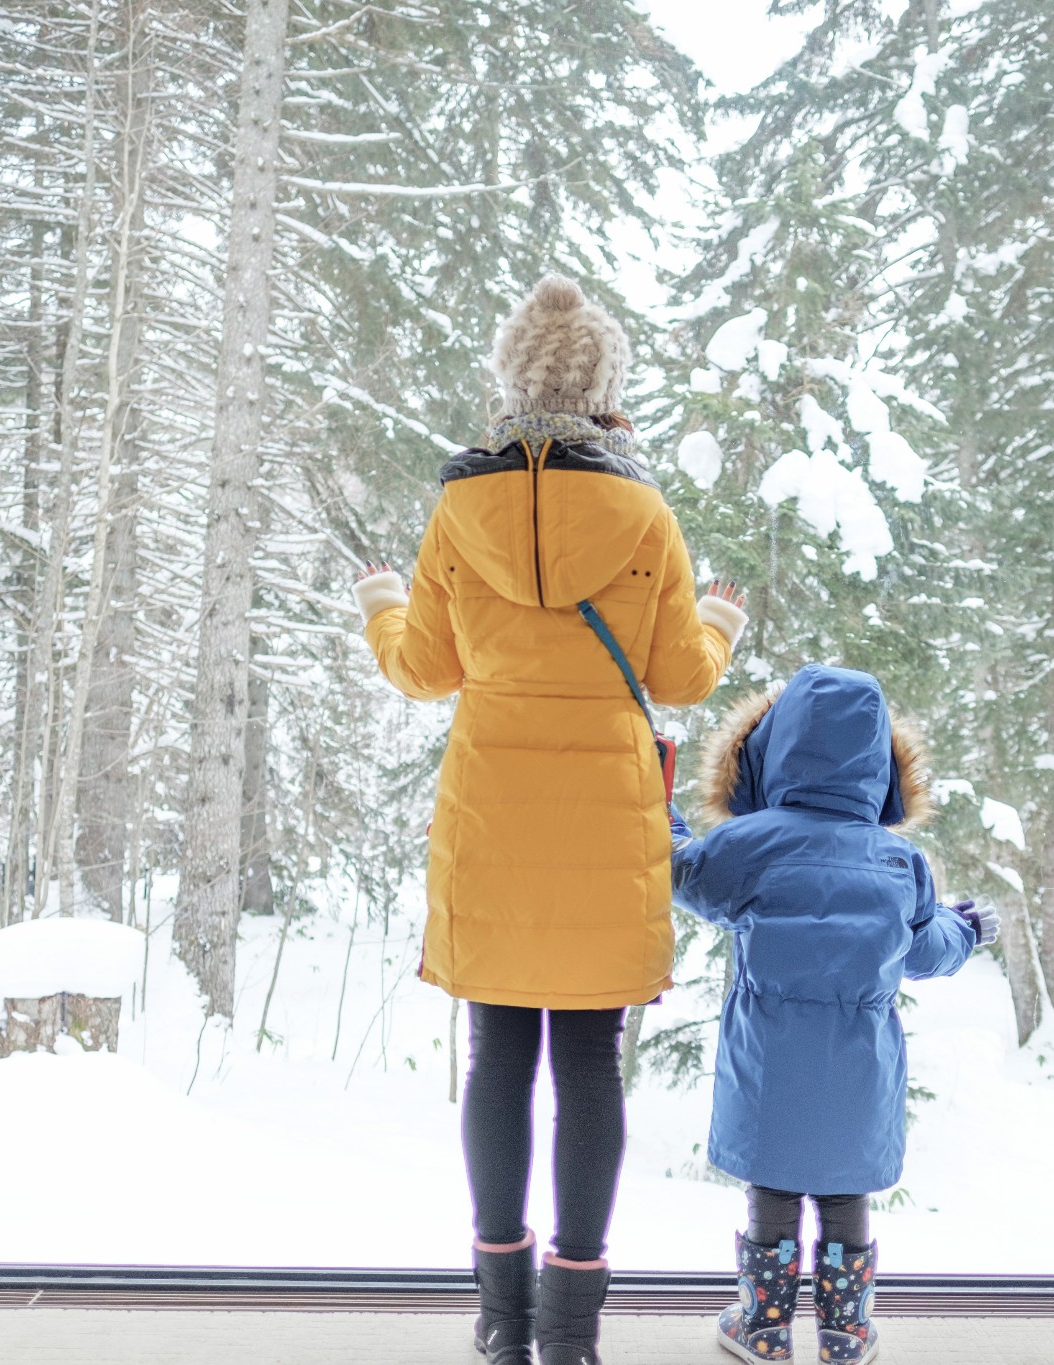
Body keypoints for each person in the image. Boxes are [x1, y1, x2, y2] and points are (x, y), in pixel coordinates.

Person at [353, 273, 748, 1365]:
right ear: (602, 388)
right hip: (602, 823)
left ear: (509, 380)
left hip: (490, 817)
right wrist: (715, 618)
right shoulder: (641, 512)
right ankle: (570, 1331)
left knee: (494, 1061)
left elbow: (423, 672)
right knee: (586, 1067)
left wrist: (382, 604)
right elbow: (675, 676)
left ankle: (497, 1317)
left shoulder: (456, 509)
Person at [669, 664, 999, 1365]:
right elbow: (927, 949)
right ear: (879, 761)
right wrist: (966, 928)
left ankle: (763, 1325)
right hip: (859, 1062)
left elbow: (683, 874)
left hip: (769, 1058)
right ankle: (846, 1332)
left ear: (775, 747)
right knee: (846, 1190)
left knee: (775, 1186)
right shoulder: (897, 862)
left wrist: (658, 813)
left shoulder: (750, 844)